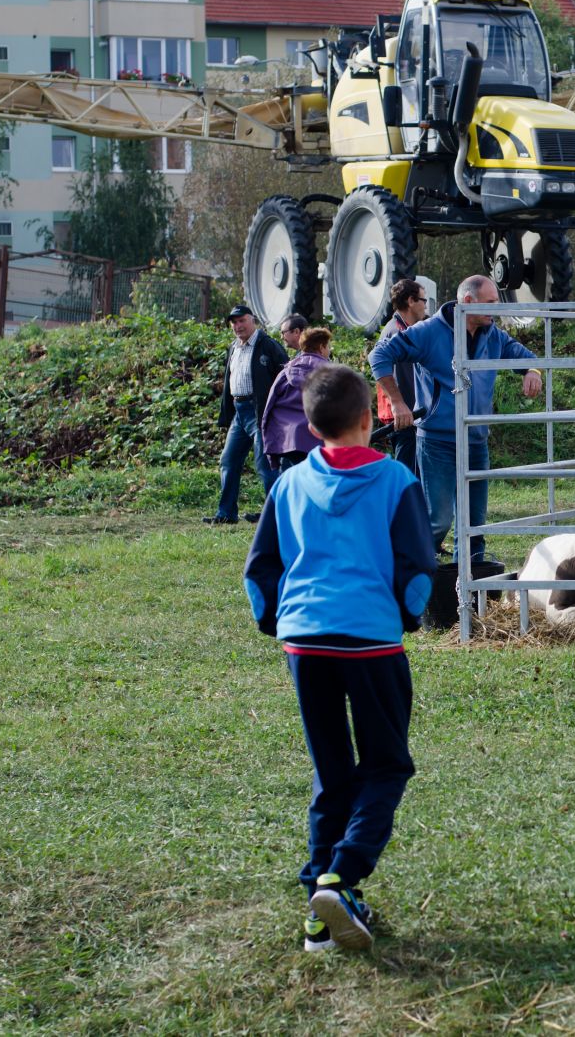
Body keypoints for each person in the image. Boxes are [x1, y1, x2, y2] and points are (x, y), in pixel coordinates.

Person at [243, 364, 435, 953]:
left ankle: (318, 919)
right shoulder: (396, 479)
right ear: (366, 419)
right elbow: (419, 569)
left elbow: (260, 570)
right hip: (370, 640)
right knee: (386, 766)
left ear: (309, 424)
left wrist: (277, 621)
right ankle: (341, 877)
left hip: (304, 642)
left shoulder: (287, 484)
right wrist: (404, 617)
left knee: (333, 776)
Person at [369, 274, 543, 565]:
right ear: (467, 302)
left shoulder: (492, 334)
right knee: (438, 520)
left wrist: (531, 372)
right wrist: (398, 403)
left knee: (475, 523)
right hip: (438, 440)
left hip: (476, 440)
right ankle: (406, 571)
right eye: (490, 303)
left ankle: (468, 594)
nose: (495, 309)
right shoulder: (428, 332)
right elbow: (379, 355)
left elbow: (523, 355)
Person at [207, 304, 288, 525]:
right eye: (234, 322)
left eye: (242, 320)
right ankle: (226, 513)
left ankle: (273, 515)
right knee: (228, 461)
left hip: (260, 411)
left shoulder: (269, 346)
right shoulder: (234, 347)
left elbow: (285, 379)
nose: (237, 326)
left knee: (266, 464)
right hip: (239, 411)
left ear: (253, 320)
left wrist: (276, 411)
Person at [261, 327, 333, 475]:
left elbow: (269, 407)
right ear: (321, 347)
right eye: (329, 346)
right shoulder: (330, 372)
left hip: (287, 440)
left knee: (290, 484)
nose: (329, 350)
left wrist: (270, 440)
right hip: (317, 441)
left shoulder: (286, 371)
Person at [376, 279, 429, 473]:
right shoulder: (396, 332)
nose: (426, 306)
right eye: (424, 300)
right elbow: (403, 380)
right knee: (408, 476)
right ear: (411, 301)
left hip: (407, 415)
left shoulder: (403, 328)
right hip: (405, 417)